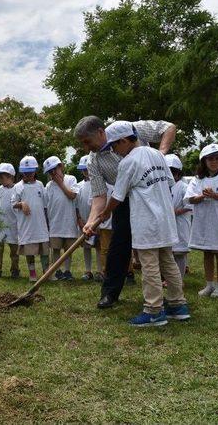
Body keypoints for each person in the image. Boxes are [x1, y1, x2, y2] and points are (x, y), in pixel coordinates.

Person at [76, 116, 177, 308]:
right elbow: (99, 196)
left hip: (150, 197)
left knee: (156, 247)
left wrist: (161, 153)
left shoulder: (132, 129)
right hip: (121, 200)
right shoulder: (93, 160)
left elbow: (169, 127)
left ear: (100, 132)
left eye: (87, 142)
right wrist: (91, 221)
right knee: (118, 248)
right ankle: (109, 294)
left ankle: (169, 299)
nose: (86, 148)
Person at [99, 121, 189, 326]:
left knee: (149, 267)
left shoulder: (128, 162)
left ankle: (154, 310)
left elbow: (118, 196)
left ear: (123, 141)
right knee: (168, 263)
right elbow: (169, 183)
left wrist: (105, 213)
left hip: (147, 221)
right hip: (165, 220)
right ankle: (177, 305)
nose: (113, 151)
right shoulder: (157, 154)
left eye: (113, 146)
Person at [184, 143, 218, 298]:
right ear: (204, 161)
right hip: (204, 222)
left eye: (217, 158)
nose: (214, 162)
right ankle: (209, 284)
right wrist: (202, 196)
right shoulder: (197, 180)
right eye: (210, 159)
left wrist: (215, 195)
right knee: (207, 252)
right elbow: (190, 199)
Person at [11, 156, 50, 282]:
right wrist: (21, 204)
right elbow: (12, 203)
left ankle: (46, 272)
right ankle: (32, 273)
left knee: (44, 251)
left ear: (35, 171)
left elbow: (45, 205)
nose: (28, 174)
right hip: (26, 225)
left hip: (40, 224)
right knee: (29, 251)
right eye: (25, 172)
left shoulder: (40, 185)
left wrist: (47, 221)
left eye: (30, 172)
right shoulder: (18, 187)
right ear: (21, 172)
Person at [43, 156, 79, 281]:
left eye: (54, 169)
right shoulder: (48, 186)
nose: (53, 173)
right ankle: (57, 270)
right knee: (56, 248)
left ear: (61, 167)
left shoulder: (71, 179)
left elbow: (72, 195)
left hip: (69, 222)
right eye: (50, 171)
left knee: (68, 249)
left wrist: (60, 183)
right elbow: (46, 206)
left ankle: (67, 270)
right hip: (55, 223)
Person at [76, 155, 104, 281]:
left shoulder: (99, 184)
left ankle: (99, 271)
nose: (86, 172)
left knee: (98, 246)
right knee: (86, 247)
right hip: (84, 222)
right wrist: (80, 220)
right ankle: (88, 271)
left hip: (97, 222)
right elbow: (76, 205)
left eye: (87, 169)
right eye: (83, 170)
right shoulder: (79, 186)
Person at [165, 154, 192, 280]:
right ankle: (169, 279)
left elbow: (190, 206)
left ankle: (179, 279)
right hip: (167, 224)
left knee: (179, 253)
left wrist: (176, 212)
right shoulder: (164, 186)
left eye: (174, 172)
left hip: (180, 223)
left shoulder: (184, 187)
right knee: (168, 253)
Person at [0, 163, 19, 279]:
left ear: (11, 176)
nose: (0, 179)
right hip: (0, 224)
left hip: (13, 224)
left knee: (14, 250)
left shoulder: (17, 189)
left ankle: (15, 269)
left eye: (2, 177)